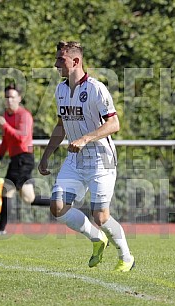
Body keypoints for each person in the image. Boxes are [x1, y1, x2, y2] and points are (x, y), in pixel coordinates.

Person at [38, 41, 135, 272]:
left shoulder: (96, 88)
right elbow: (61, 125)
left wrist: (85, 138)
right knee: (57, 206)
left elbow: (114, 124)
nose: (55, 64)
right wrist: (46, 155)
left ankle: (126, 256)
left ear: (75, 61)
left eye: (60, 60)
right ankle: (96, 238)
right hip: (74, 160)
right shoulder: (60, 89)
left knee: (100, 216)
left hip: (101, 161)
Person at [0, 84, 49, 235]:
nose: (9, 100)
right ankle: (61, 203)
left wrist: (5, 125)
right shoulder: (6, 116)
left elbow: (21, 138)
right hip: (16, 160)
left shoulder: (24, 115)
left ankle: (1, 229)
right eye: (7, 97)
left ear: (19, 98)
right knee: (29, 198)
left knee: (7, 191)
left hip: (24, 159)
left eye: (12, 97)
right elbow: (6, 141)